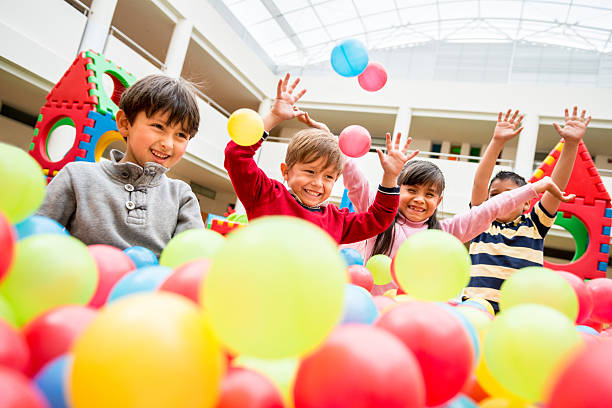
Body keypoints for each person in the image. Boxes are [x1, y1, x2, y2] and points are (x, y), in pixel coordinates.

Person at [299, 111, 574, 296]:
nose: (419, 199)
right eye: (411, 190)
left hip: (405, 317)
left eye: (429, 194)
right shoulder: (376, 214)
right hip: (363, 308)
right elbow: (355, 179)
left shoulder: (444, 234)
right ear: (398, 189)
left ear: (439, 201)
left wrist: (534, 188)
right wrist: (331, 140)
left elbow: (490, 208)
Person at [224, 74, 416, 244]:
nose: (317, 183)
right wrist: (274, 116)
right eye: (310, 171)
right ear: (286, 171)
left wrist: (390, 177)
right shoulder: (266, 195)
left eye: (328, 177)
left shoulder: (336, 220)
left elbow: (378, 219)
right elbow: (236, 155)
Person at [37, 74, 204, 256]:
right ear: (125, 123)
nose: (168, 144)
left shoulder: (182, 196)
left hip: (151, 284)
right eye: (158, 126)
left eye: (181, 135)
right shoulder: (78, 176)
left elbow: (192, 261)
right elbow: (35, 235)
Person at [464, 107, 590, 311]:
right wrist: (497, 142)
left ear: (525, 203)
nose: (503, 199)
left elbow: (554, 185)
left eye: (511, 195)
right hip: (478, 309)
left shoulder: (534, 225)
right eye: (495, 195)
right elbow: (480, 183)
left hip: (521, 313)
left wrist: (571, 144)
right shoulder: (481, 222)